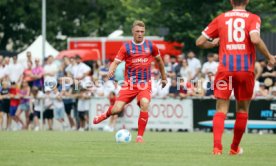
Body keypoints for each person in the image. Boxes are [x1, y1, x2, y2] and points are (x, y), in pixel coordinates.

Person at [196, 0, 275, 155]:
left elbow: (199, 42)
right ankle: (234, 148)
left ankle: (217, 148)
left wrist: (213, 44)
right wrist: (269, 57)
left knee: (221, 109)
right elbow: (255, 39)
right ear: (247, 1)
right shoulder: (253, 18)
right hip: (245, 70)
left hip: (225, 69)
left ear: (231, 1)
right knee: (242, 110)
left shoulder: (221, 18)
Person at [93, 20, 167, 143]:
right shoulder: (126, 47)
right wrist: (111, 70)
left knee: (144, 103)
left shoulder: (151, 46)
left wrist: (164, 77)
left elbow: (160, 62)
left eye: (142, 31)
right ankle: (103, 116)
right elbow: (116, 62)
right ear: (132, 31)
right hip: (129, 84)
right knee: (117, 109)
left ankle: (139, 137)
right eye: (137, 31)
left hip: (144, 83)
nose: (140, 33)